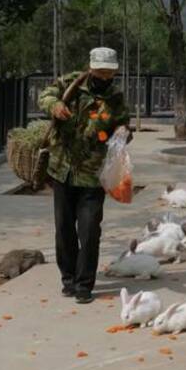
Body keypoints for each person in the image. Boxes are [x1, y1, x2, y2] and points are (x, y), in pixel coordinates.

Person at [38, 47, 130, 304]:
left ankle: (84, 285)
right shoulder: (71, 83)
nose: (104, 77)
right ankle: (68, 278)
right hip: (63, 169)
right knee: (64, 228)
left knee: (89, 230)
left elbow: (123, 122)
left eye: (109, 73)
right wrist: (55, 105)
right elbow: (44, 96)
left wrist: (123, 132)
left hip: (92, 173)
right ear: (91, 68)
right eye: (100, 72)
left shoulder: (115, 96)